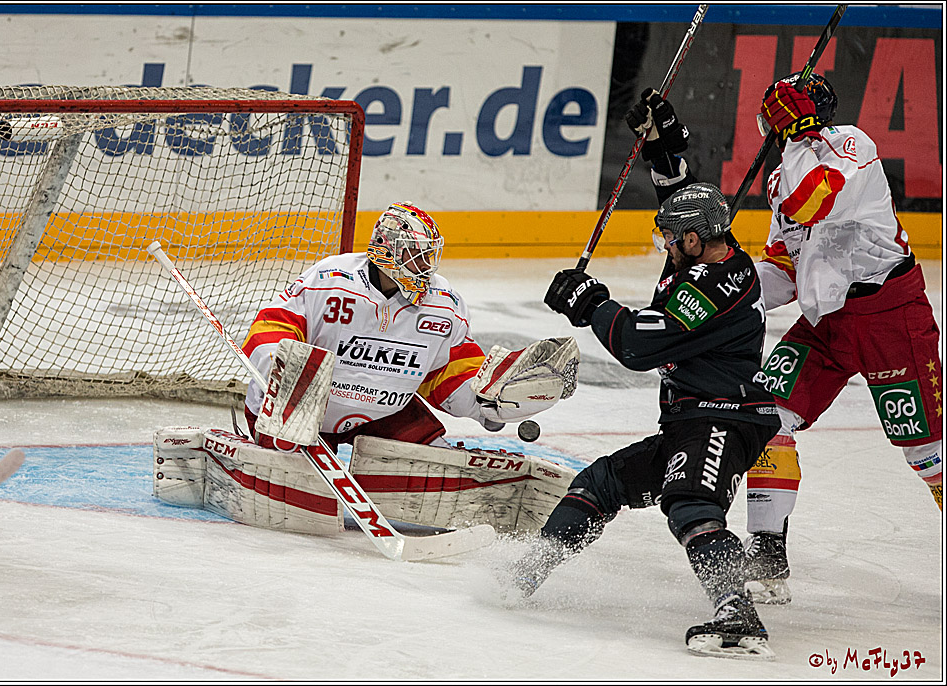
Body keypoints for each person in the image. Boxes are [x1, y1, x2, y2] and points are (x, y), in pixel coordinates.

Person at [510, 92, 781, 660]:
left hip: (725, 417)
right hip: (692, 416)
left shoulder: (716, 285)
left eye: (670, 240)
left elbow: (637, 345)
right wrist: (662, 145)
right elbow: (682, 201)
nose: (665, 247)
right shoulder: (707, 249)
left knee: (691, 505)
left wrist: (590, 303)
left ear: (693, 240)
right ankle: (525, 573)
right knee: (599, 483)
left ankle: (738, 615)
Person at [743, 73, 942, 604]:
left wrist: (799, 135)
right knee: (764, 414)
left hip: (889, 317)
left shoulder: (852, 144)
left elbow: (813, 201)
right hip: (827, 321)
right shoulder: (782, 174)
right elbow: (785, 268)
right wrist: (728, 288)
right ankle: (766, 553)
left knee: (929, 453)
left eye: (777, 118)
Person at [241, 200, 576, 451]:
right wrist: (279, 370)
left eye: (430, 256)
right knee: (291, 455)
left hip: (382, 413)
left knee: (437, 465)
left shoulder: (444, 304)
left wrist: (491, 402)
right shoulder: (330, 280)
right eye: (417, 255)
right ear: (387, 251)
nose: (427, 266)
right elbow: (271, 327)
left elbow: (448, 373)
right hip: (297, 410)